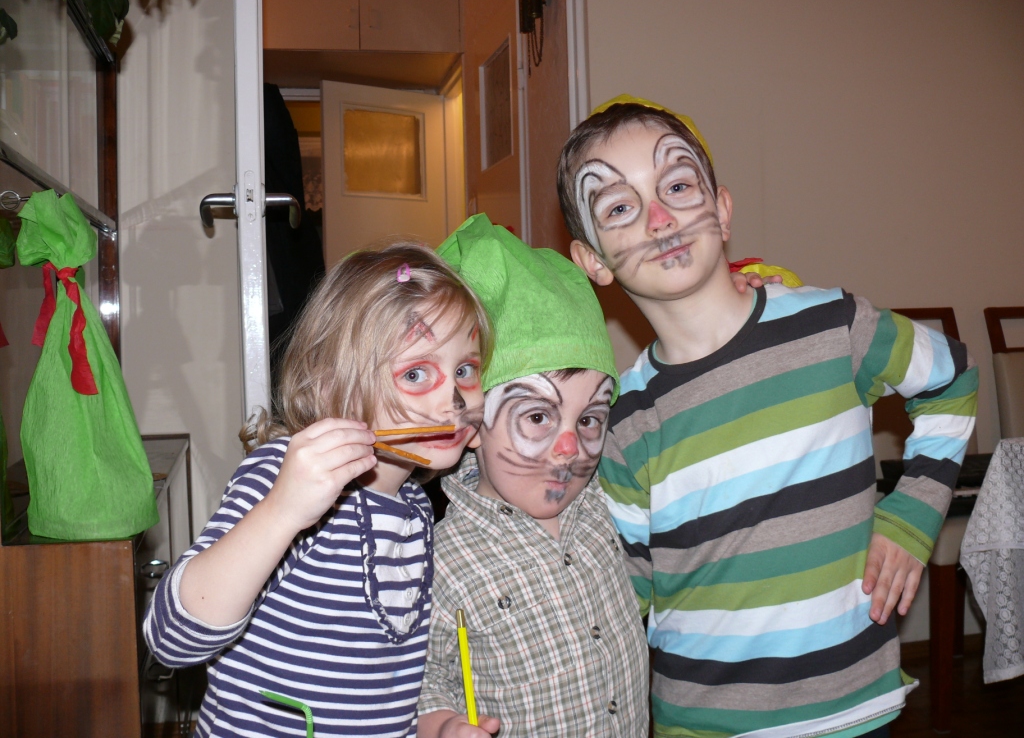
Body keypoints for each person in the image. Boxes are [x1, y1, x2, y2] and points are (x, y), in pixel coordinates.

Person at [557, 96, 979, 738]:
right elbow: (629, 593)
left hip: (851, 709)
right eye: (619, 207)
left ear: (722, 210)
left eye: (676, 186)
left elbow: (953, 376)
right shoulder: (626, 419)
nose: (660, 217)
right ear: (593, 261)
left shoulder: (833, 326)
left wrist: (913, 515)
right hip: (703, 723)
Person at [144, 243, 492, 737]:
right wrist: (282, 512)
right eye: (416, 373)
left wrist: (438, 729)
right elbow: (171, 640)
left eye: (465, 370)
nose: (452, 400)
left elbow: (379, 696)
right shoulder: (282, 478)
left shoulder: (416, 509)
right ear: (332, 388)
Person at [416, 214, 650, 737]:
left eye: (589, 419)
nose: (569, 448)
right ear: (471, 423)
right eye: (539, 416)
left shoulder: (605, 502)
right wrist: (443, 725)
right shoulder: (443, 560)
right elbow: (424, 677)